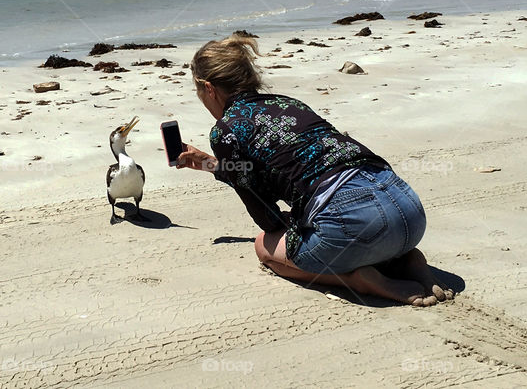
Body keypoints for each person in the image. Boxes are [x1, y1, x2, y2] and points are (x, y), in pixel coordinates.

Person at [176, 33, 453, 307]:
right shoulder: (289, 104)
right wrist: (211, 164)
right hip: (409, 209)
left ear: (209, 88)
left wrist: (283, 225)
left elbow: (264, 213)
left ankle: (359, 281)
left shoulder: (225, 130)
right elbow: (285, 163)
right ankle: (407, 259)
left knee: (265, 247)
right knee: (359, 228)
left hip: (356, 222)